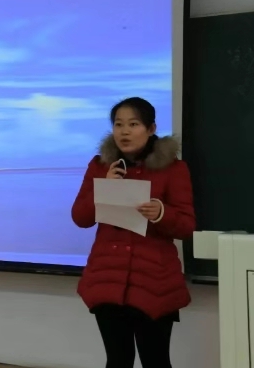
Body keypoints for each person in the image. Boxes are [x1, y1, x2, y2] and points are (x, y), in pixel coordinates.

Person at [71, 97, 195, 368]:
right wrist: (103, 188)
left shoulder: (173, 169)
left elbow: (186, 226)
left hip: (154, 281)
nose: (124, 132)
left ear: (151, 129)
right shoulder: (100, 166)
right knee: (117, 360)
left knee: (156, 361)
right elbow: (80, 218)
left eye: (133, 124)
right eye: (118, 125)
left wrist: (161, 213)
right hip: (108, 278)